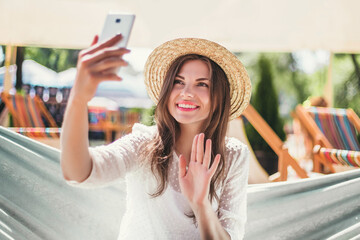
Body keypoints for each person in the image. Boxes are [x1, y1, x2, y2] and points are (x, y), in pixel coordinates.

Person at [61, 34, 251, 240]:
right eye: (178, 82)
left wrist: (201, 204)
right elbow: (78, 173)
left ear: (219, 96)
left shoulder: (234, 155)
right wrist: (79, 98)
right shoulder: (144, 143)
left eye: (202, 84)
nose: (186, 92)